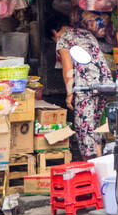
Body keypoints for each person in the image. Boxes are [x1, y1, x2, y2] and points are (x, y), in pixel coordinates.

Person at [48, 8, 113, 160]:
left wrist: (69, 93)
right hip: (105, 83)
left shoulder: (64, 39)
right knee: (96, 127)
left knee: (85, 128)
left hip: (87, 86)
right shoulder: (87, 33)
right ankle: (100, 163)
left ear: (54, 32)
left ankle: (93, 167)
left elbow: (68, 69)